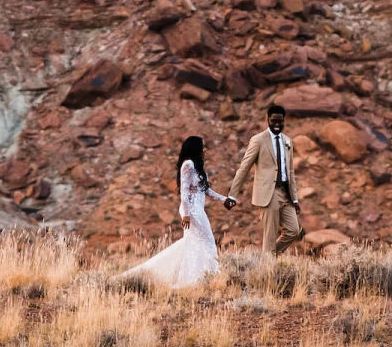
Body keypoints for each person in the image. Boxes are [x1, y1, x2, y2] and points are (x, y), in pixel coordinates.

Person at [122, 135, 230, 288]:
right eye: (202, 146)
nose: (204, 149)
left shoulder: (197, 166)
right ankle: (199, 276)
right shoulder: (188, 164)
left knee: (195, 243)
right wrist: (186, 214)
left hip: (197, 209)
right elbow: (184, 192)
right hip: (191, 210)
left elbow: (205, 190)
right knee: (206, 241)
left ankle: (200, 276)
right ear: (195, 148)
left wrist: (223, 199)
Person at [230, 102, 303, 255]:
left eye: (280, 121)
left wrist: (295, 199)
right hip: (268, 194)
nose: (277, 124)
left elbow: (290, 172)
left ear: (284, 121)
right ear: (267, 119)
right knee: (270, 236)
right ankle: (266, 269)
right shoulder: (258, 140)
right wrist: (232, 195)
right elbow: (244, 167)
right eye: (274, 121)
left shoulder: (288, 141)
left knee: (294, 231)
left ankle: (266, 259)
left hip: (286, 193)